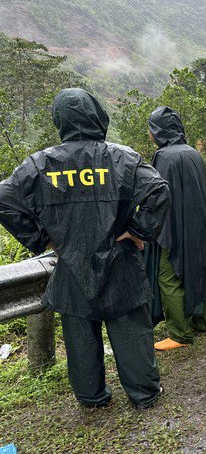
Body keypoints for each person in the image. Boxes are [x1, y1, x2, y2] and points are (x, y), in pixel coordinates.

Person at [0, 88, 170, 409]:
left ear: (59, 120)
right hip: (120, 265)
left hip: (72, 267)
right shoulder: (122, 157)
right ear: (97, 114)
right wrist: (137, 230)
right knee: (131, 332)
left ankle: (91, 397)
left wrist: (42, 240)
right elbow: (159, 191)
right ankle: (144, 393)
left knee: (79, 337)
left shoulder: (39, 164)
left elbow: (5, 200)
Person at [145, 107, 206, 351]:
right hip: (199, 226)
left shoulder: (164, 156)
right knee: (197, 269)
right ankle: (202, 321)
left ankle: (180, 333)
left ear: (157, 131)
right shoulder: (192, 153)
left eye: (150, 128)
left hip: (175, 226)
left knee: (169, 276)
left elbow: (158, 197)